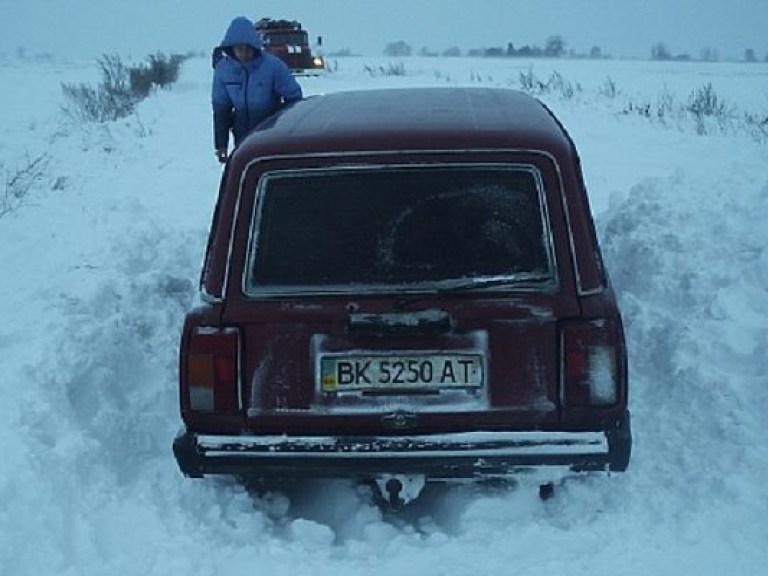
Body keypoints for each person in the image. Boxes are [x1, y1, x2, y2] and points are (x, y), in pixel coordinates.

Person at [212, 16, 303, 163]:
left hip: (271, 135)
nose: (244, 52)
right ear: (231, 48)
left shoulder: (273, 67)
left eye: (248, 48)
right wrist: (221, 144)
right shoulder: (223, 70)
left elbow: (294, 98)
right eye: (239, 48)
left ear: (255, 46)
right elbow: (221, 109)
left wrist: (279, 122)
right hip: (242, 137)